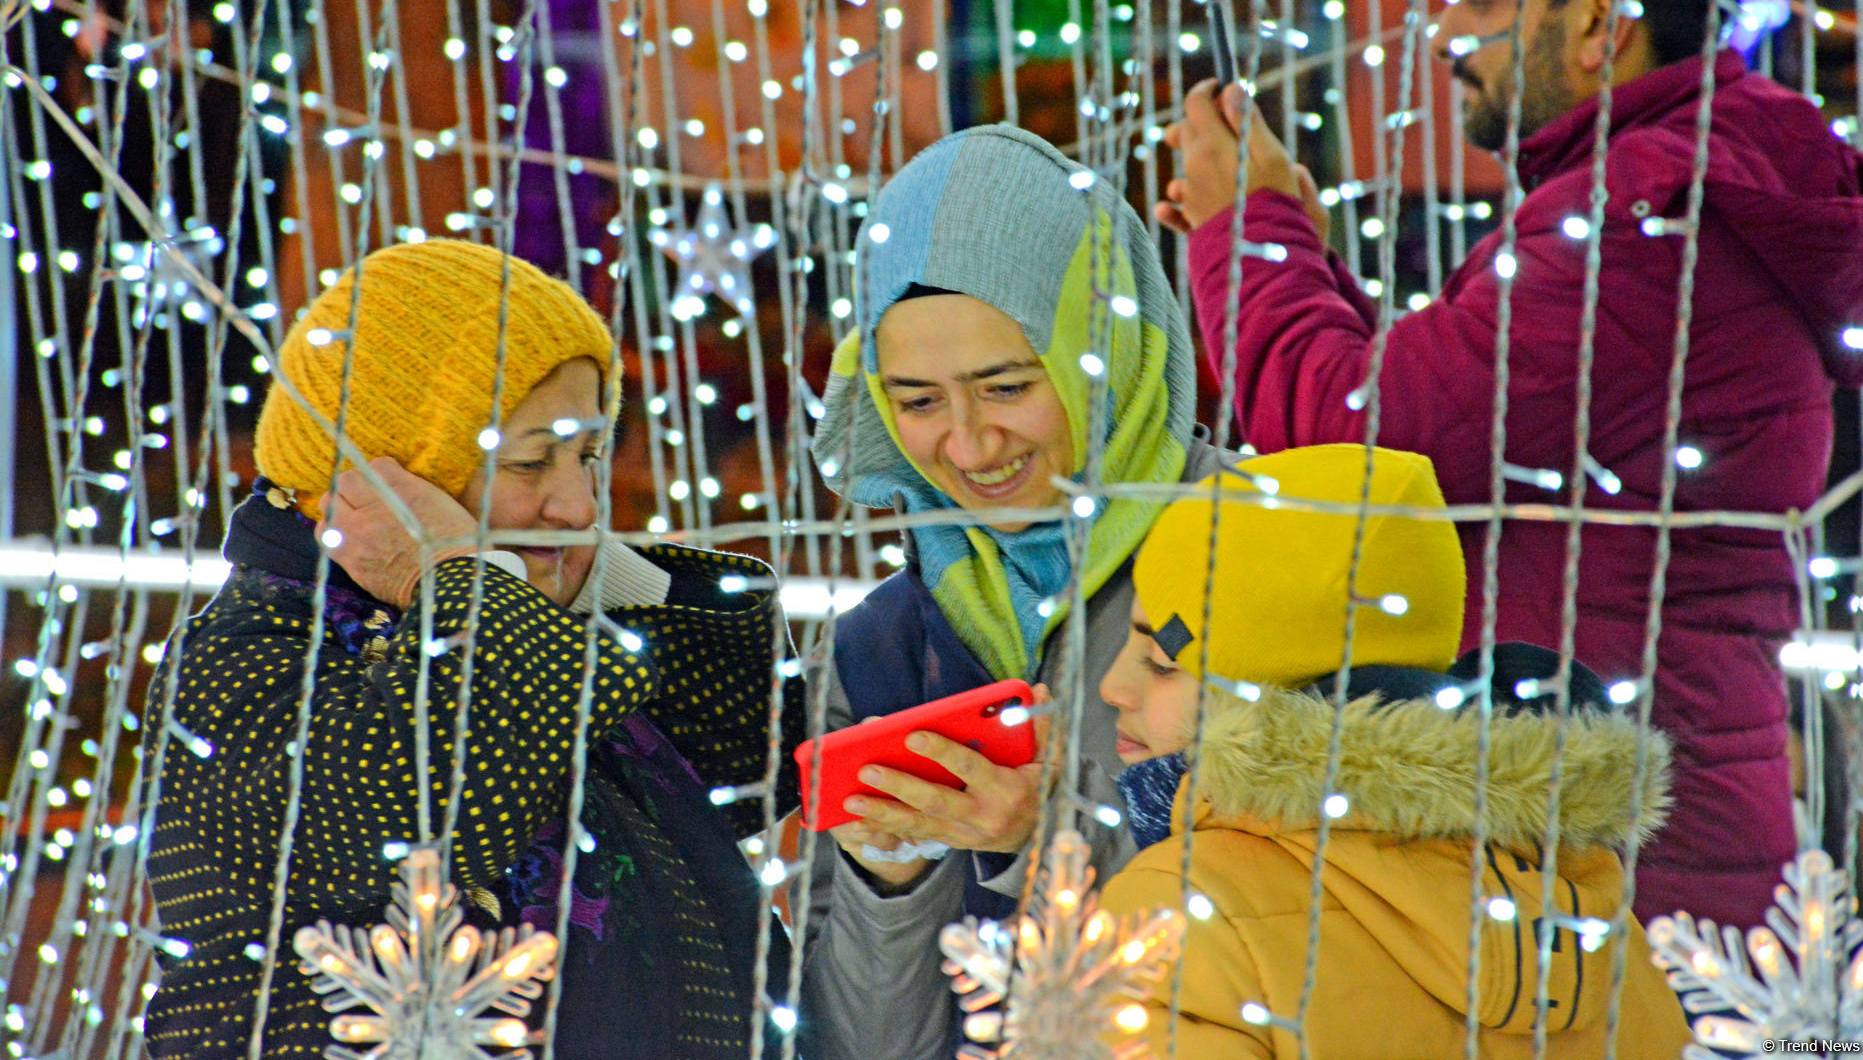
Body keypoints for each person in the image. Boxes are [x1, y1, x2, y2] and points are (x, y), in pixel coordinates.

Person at [1153, 0, 1863, 928]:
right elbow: (1453, 429)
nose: (1446, 36)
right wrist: (1289, 252)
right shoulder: (1664, 188)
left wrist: (1247, 230)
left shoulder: (1646, 214)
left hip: (1621, 867)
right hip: (1622, 828)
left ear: (1604, 19)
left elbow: (1361, 437)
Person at [141, 240, 801, 1058]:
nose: (578, 505)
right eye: (531, 461)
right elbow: (448, 807)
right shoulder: (243, 664)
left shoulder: (526, 635)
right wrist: (463, 577)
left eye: (588, 455)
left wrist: (602, 580)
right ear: (390, 473)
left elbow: (751, 749)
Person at [800, 124, 1229, 1060]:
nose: (968, 444)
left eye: (1004, 387)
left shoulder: (1256, 555)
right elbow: (867, 1050)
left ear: (1103, 349)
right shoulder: (876, 653)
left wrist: (1048, 839)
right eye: (918, 401)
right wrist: (890, 886)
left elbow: (1307, 950)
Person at [1096, 444, 1693, 1058]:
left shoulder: (1180, 908)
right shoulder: (1584, 895)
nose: (1112, 687)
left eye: (1161, 662)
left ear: (1267, 697)